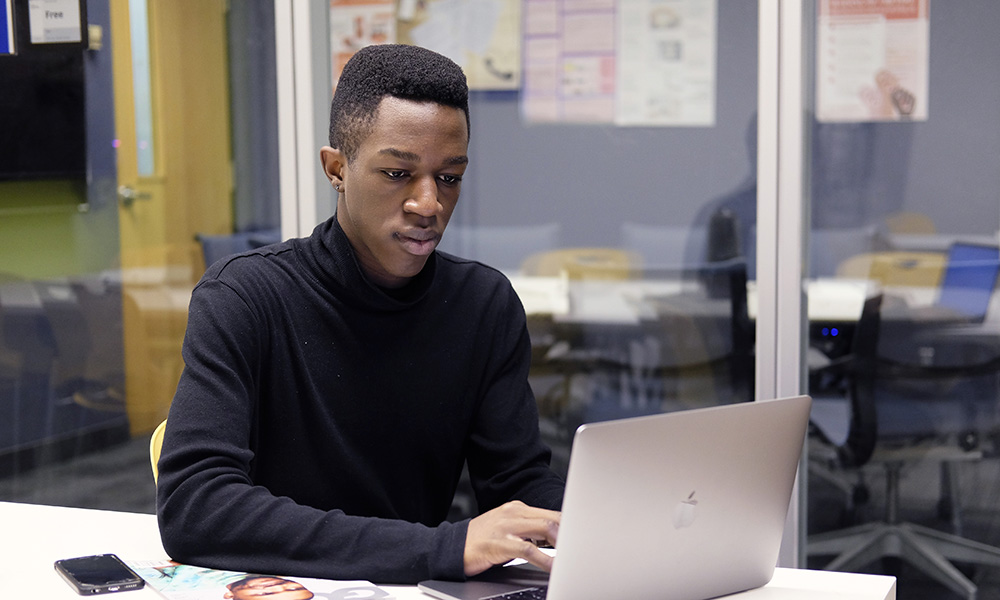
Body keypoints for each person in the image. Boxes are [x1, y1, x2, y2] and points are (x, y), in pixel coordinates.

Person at [156, 44, 564, 585]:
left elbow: (516, 481)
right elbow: (196, 508)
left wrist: (589, 527)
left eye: (449, 177)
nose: (428, 204)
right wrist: (440, 548)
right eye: (398, 174)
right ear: (337, 169)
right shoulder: (245, 296)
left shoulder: (483, 305)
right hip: (282, 590)